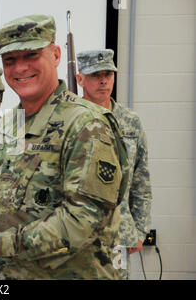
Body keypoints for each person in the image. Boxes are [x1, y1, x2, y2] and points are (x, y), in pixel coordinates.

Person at [0, 15, 129, 279]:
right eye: (10, 60)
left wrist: (1, 244)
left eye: (31, 55)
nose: (20, 68)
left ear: (55, 55)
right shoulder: (8, 124)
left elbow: (82, 221)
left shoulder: (87, 124)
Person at [76, 49, 152, 279]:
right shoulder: (70, 119)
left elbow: (142, 179)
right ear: (80, 79)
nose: (103, 81)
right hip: (77, 230)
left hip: (119, 233)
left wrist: (139, 230)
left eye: (108, 74)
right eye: (95, 75)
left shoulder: (130, 121)